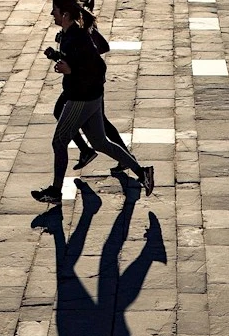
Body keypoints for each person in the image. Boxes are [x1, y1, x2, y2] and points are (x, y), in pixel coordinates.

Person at [33, 0, 154, 203]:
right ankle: (142, 173)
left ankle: (55, 191)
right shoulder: (68, 36)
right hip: (90, 96)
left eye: (54, 10)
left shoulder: (77, 37)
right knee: (100, 142)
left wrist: (71, 70)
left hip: (81, 98)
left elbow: (98, 68)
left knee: (59, 141)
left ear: (64, 14)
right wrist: (57, 58)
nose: (51, 14)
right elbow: (76, 61)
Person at [56, 0, 130, 172]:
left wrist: (83, 56)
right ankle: (90, 151)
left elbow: (103, 47)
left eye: (55, 10)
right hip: (79, 84)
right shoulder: (73, 28)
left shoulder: (83, 28)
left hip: (88, 83)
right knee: (98, 124)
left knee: (99, 126)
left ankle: (90, 152)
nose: (53, 14)